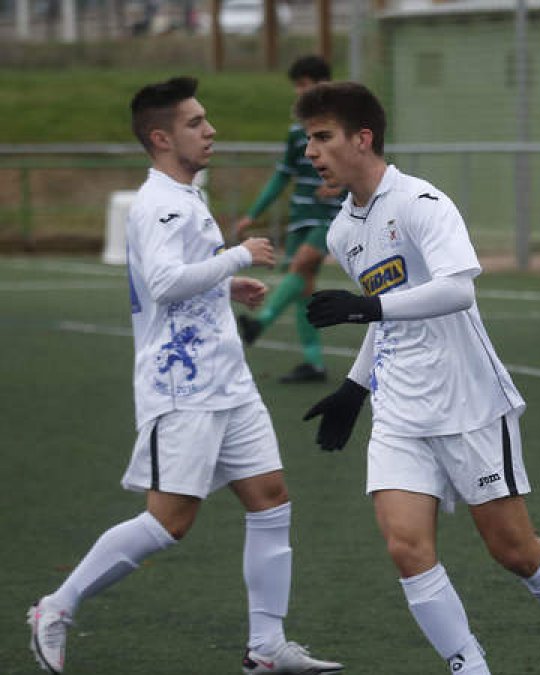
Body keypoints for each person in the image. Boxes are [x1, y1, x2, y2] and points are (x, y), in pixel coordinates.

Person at [293, 81, 540, 675]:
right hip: (399, 411)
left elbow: (457, 288)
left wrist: (370, 308)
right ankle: (469, 667)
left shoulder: (420, 202)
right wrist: (354, 389)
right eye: (308, 139)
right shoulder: (343, 229)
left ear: (362, 139)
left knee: (514, 551)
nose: (311, 151)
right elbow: (387, 317)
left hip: (467, 403)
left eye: (322, 137)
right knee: (406, 548)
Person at [26, 76, 342, 675]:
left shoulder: (183, 195)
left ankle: (267, 648)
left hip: (227, 379)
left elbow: (175, 279)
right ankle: (56, 608)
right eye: (196, 123)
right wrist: (239, 256)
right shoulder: (164, 203)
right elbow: (167, 283)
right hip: (184, 385)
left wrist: (226, 284)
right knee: (168, 522)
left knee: (271, 499)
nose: (210, 130)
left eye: (206, 120)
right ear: (161, 136)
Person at [235, 55, 345, 383]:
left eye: (304, 85)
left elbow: (361, 163)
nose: (299, 92)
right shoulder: (297, 132)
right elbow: (281, 177)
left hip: (330, 215)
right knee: (304, 288)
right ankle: (314, 363)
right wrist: (252, 214)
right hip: (301, 215)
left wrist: (341, 181)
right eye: (296, 86)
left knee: (299, 268)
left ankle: (259, 323)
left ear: (322, 85)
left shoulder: (342, 125)